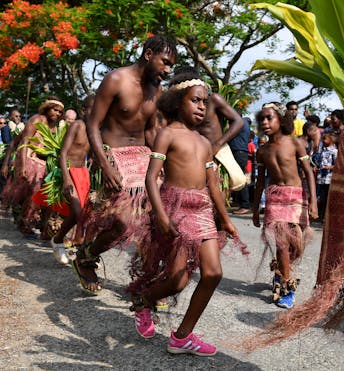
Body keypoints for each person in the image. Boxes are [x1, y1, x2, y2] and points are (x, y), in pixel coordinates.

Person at [127, 72, 240, 356]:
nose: (202, 107)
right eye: (195, 101)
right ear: (178, 102)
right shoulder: (167, 134)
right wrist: (162, 215)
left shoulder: (204, 143)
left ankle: (182, 336)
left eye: (205, 102)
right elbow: (151, 178)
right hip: (176, 207)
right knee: (177, 280)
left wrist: (224, 219)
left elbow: (213, 185)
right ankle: (143, 300)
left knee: (213, 273)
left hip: (202, 209)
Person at [72, 35, 177, 294]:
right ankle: (86, 256)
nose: (167, 70)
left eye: (171, 65)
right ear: (148, 54)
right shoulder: (116, 80)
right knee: (122, 223)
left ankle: (148, 277)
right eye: (165, 62)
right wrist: (104, 165)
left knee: (158, 221)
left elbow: (151, 131)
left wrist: (160, 162)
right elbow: (93, 125)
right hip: (114, 157)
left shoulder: (157, 90)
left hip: (143, 158)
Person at [252, 102, 318, 309]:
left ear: (281, 120)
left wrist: (313, 202)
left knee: (295, 246)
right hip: (275, 198)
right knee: (281, 245)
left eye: (269, 118)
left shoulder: (296, 143)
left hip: (297, 197)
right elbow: (260, 182)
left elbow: (308, 173)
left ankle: (281, 273)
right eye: (261, 118)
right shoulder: (262, 151)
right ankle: (287, 289)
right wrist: (255, 209)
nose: (264, 122)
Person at [1, 97, 64, 235]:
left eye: (60, 112)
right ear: (48, 108)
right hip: (28, 158)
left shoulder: (55, 127)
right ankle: (25, 221)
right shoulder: (37, 119)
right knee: (34, 191)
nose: (58, 114)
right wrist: (20, 165)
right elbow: (23, 141)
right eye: (55, 110)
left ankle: (28, 218)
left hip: (42, 163)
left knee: (40, 193)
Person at [50, 96, 94, 265]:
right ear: (83, 110)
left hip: (83, 173)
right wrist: (66, 178)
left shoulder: (94, 130)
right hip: (69, 171)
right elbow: (63, 153)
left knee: (82, 214)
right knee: (77, 212)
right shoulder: (77, 125)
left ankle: (73, 244)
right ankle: (58, 240)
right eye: (91, 109)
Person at [230, 116, 252, 214]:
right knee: (238, 177)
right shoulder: (244, 123)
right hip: (241, 152)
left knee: (241, 178)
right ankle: (239, 202)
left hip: (238, 152)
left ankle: (245, 205)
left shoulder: (239, 122)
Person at [315, 131, 338, 221]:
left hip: (329, 179)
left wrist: (329, 167)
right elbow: (319, 162)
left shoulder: (334, 151)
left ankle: (326, 216)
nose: (323, 141)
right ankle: (321, 216)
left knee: (327, 199)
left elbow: (337, 165)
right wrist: (316, 167)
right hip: (321, 179)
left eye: (325, 139)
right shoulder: (322, 151)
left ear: (331, 140)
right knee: (321, 198)